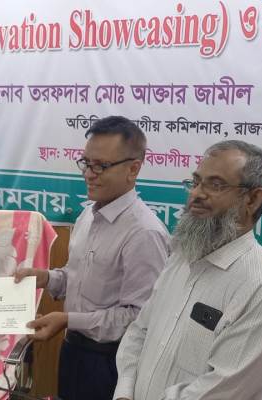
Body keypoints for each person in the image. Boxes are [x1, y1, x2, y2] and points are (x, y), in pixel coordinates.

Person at [113, 140, 262, 400]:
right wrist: (124, 393)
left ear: (253, 199)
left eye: (216, 185)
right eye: (196, 181)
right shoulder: (181, 257)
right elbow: (139, 332)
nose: (197, 194)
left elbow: (220, 389)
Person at [15, 116, 170, 400]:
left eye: (101, 166)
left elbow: (137, 318)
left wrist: (68, 319)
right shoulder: (88, 214)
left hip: (112, 363)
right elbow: (77, 278)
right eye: (86, 163)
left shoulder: (144, 233)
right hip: (73, 350)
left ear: (133, 169)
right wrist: (46, 278)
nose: (89, 174)